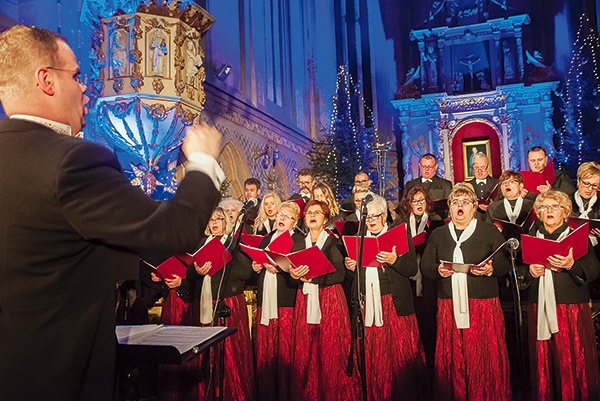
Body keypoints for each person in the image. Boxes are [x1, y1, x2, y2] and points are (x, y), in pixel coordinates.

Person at [0, 26, 223, 401]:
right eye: (75, 75)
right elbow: (174, 229)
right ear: (46, 80)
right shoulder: (72, 160)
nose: (85, 87)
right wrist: (201, 162)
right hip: (58, 377)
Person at [421, 183, 512, 401]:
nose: (459, 206)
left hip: (482, 305)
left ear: (474, 207)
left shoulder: (488, 231)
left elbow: (505, 264)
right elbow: (426, 267)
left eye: (465, 202)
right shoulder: (439, 234)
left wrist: (491, 269)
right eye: (455, 202)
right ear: (449, 208)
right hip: (449, 304)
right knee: (454, 356)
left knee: (482, 356)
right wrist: (438, 270)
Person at [344, 195, 427, 401]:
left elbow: (411, 269)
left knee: (397, 355)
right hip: (368, 305)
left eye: (375, 216)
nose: (371, 220)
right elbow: (353, 278)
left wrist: (394, 259)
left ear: (384, 216)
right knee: (373, 355)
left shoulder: (397, 235)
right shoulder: (359, 239)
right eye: (368, 217)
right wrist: (351, 267)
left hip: (393, 304)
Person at [524, 190, 600, 401]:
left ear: (566, 212)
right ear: (538, 213)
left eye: (555, 207)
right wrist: (529, 271)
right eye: (544, 207)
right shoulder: (530, 238)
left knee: (573, 359)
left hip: (571, 306)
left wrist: (572, 264)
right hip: (539, 305)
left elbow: (593, 269)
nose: (549, 211)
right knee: (544, 359)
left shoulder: (578, 237)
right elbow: (518, 273)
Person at [288, 200, 360, 401]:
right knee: (306, 348)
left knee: (331, 348)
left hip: (330, 300)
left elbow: (340, 273)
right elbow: (291, 276)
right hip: (306, 299)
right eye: (309, 212)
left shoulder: (333, 242)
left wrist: (315, 277)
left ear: (325, 219)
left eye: (317, 212)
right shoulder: (298, 243)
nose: (312, 215)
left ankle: (334, 393)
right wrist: (294, 275)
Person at [188, 207, 256, 401]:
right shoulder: (201, 243)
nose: (215, 223)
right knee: (206, 350)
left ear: (226, 222)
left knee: (231, 351)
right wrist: (199, 271)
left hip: (229, 301)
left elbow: (246, 273)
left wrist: (222, 262)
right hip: (205, 301)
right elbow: (189, 274)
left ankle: (233, 393)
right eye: (211, 220)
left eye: (219, 219)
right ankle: (207, 393)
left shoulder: (234, 243)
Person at [252, 201, 303, 401]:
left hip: (285, 301)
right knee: (266, 348)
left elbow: (296, 274)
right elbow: (254, 271)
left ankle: (285, 393)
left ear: (294, 221)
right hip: (265, 300)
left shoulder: (298, 240)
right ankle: (267, 393)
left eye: (287, 216)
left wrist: (281, 267)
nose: (281, 218)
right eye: (280, 214)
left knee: (284, 350)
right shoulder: (265, 240)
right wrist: (255, 268)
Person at [393, 186, 442, 367]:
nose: (419, 204)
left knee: (429, 315)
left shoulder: (435, 221)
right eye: (415, 201)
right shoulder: (400, 223)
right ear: (409, 204)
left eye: (422, 200)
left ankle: (431, 358)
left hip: (428, 276)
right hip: (408, 275)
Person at [466, 152, 499, 221]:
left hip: (492, 221)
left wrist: (493, 206)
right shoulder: (467, 186)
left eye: (482, 167)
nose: (479, 171)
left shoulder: (498, 183)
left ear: (488, 167)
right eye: (476, 167)